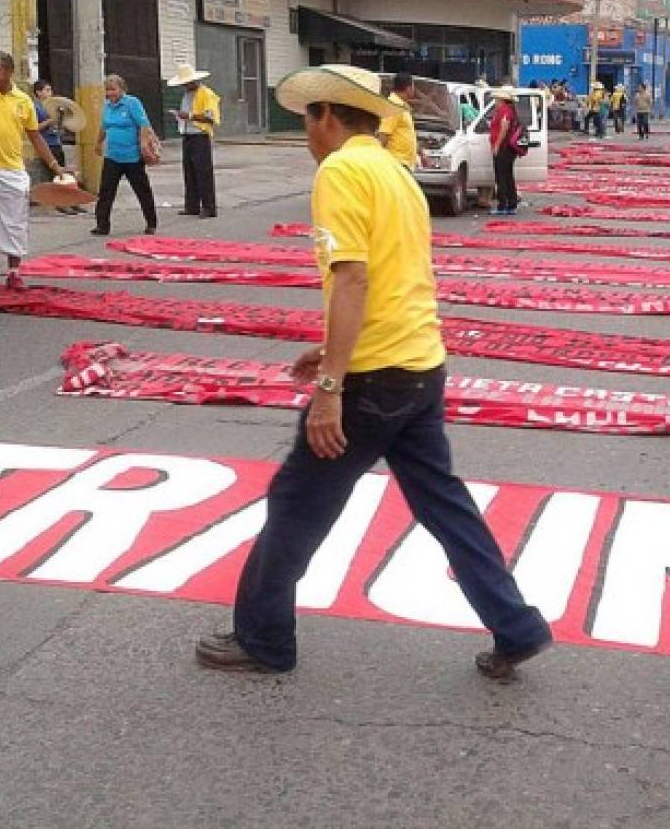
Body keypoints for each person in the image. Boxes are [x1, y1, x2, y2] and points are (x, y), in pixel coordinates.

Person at [194, 64, 553, 678]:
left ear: (327, 117)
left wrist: (333, 383)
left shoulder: (340, 171)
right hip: (420, 365)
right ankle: (515, 625)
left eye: (307, 119)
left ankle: (263, 639)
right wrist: (329, 349)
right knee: (445, 506)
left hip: (372, 380)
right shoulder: (395, 172)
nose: (307, 133)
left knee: (296, 503)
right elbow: (393, 277)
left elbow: (354, 276)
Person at [0, 50, 66, 290]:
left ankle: (14, 272)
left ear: (9, 72)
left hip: (12, 170)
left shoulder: (23, 101)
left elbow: (36, 137)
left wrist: (55, 166)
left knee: (14, 224)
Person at [91, 74, 158, 237]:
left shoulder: (132, 103)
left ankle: (151, 222)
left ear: (122, 89)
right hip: (112, 155)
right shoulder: (107, 106)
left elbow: (143, 124)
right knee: (106, 192)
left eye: (113, 89)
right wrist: (98, 143)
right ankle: (102, 225)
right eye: (107, 90)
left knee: (142, 190)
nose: (110, 93)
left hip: (132, 156)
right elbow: (104, 126)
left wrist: (143, 145)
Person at [169, 63, 221, 218]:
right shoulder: (186, 95)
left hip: (200, 136)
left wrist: (189, 116)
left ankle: (209, 207)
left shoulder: (206, 94)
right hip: (187, 134)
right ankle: (192, 206)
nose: (185, 85)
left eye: (187, 82)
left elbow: (210, 117)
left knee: (203, 173)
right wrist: (179, 116)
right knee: (189, 171)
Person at [32, 79, 83, 216]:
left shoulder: (53, 107)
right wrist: (50, 121)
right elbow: (34, 128)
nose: (50, 93)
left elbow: (61, 127)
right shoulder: (35, 108)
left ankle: (72, 202)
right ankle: (60, 203)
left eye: (50, 90)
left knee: (65, 174)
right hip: (46, 144)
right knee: (55, 175)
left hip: (56, 142)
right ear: (38, 92)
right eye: (46, 90)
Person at [488, 87, 520, 216]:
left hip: (504, 148)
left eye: (496, 99)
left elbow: (504, 127)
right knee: (507, 176)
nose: (495, 101)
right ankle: (511, 204)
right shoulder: (509, 110)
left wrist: (497, 145)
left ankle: (503, 205)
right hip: (507, 148)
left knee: (501, 176)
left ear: (501, 99)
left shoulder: (504, 110)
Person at [378, 71, 417, 171]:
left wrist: (420, 152)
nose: (414, 89)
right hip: (396, 163)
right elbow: (383, 135)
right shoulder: (393, 105)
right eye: (413, 86)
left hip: (404, 163)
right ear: (408, 88)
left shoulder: (401, 105)